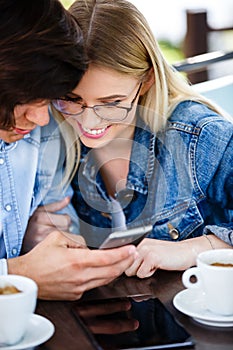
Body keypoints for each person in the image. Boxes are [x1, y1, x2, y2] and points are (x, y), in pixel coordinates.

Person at [52, 0, 233, 277]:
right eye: (72, 99)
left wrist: (198, 248)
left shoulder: (201, 137)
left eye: (112, 102)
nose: (88, 123)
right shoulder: (52, 135)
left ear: (146, 80)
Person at [0, 0, 138, 300]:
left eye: (47, 101)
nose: (42, 118)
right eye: (24, 100)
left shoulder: (42, 132)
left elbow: (60, 219)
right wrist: (16, 274)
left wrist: (45, 242)